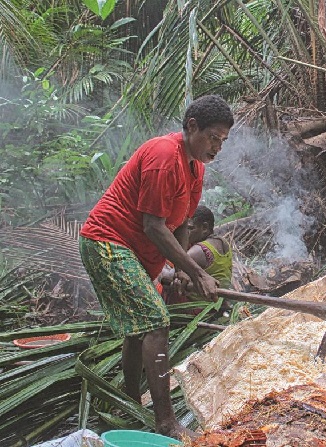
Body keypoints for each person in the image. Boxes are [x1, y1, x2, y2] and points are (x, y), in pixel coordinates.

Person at [78, 95, 234, 439]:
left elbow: (180, 222)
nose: (217, 147)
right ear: (192, 127)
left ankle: (131, 401)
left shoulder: (196, 168)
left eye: (222, 140)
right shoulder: (164, 156)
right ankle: (165, 422)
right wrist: (196, 272)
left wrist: (180, 269)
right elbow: (153, 225)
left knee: (138, 328)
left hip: (134, 252)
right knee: (156, 322)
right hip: (108, 243)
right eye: (212, 138)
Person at [160, 205, 234, 313]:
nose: (186, 233)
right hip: (216, 303)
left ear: (204, 228)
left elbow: (169, 276)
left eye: (190, 228)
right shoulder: (223, 242)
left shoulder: (198, 251)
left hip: (198, 307)